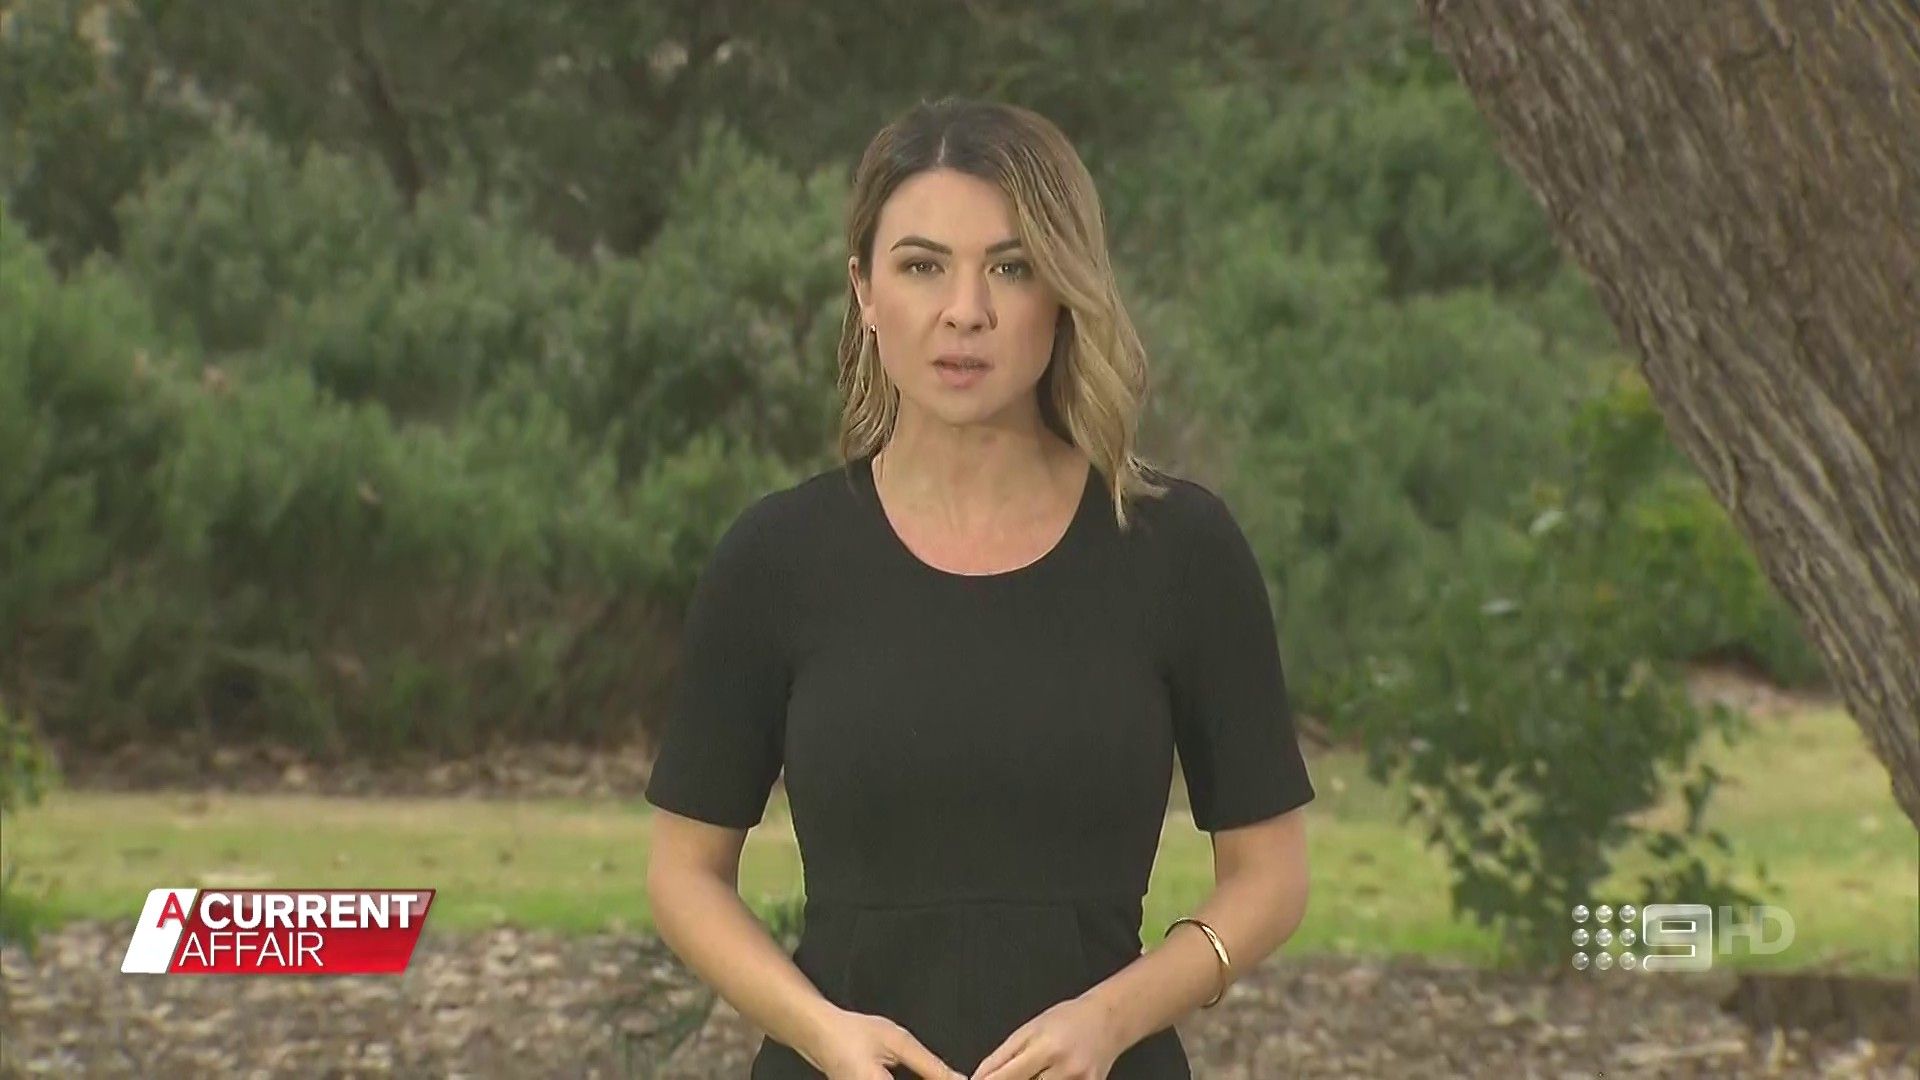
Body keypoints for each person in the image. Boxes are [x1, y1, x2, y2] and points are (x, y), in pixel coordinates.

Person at [643, 96, 1315, 1080]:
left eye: (1011, 267)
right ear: (865, 292)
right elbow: (684, 874)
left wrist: (1111, 1020)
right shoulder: (775, 559)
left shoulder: (1178, 550)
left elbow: (1271, 878)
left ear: (1065, 291)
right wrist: (822, 1032)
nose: (966, 311)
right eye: (923, 266)